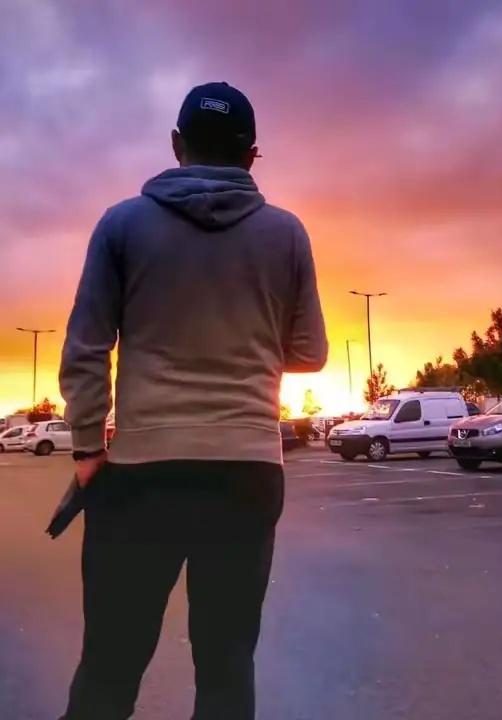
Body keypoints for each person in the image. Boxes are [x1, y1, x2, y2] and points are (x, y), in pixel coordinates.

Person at [57, 81, 328, 720]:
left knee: (110, 663)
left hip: (142, 475)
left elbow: (85, 349)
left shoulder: (122, 224)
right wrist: (244, 333)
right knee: (227, 667)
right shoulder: (287, 234)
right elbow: (310, 351)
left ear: (177, 145)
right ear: (251, 155)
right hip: (246, 474)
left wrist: (88, 449)